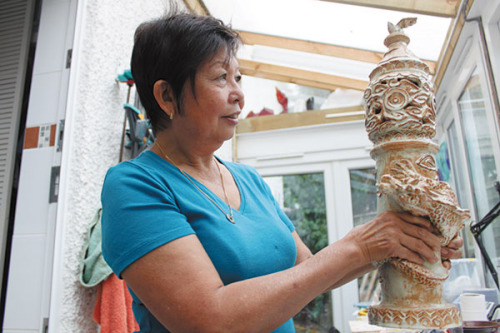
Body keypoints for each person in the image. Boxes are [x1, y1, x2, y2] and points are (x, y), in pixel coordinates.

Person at [101, 10, 463, 333]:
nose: (238, 94)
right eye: (220, 77)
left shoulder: (248, 180)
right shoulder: (135, 186)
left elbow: (311, 271)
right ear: (166, 97)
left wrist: (403, 243)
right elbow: (209, 320)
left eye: (238, 78)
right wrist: (361, 244)